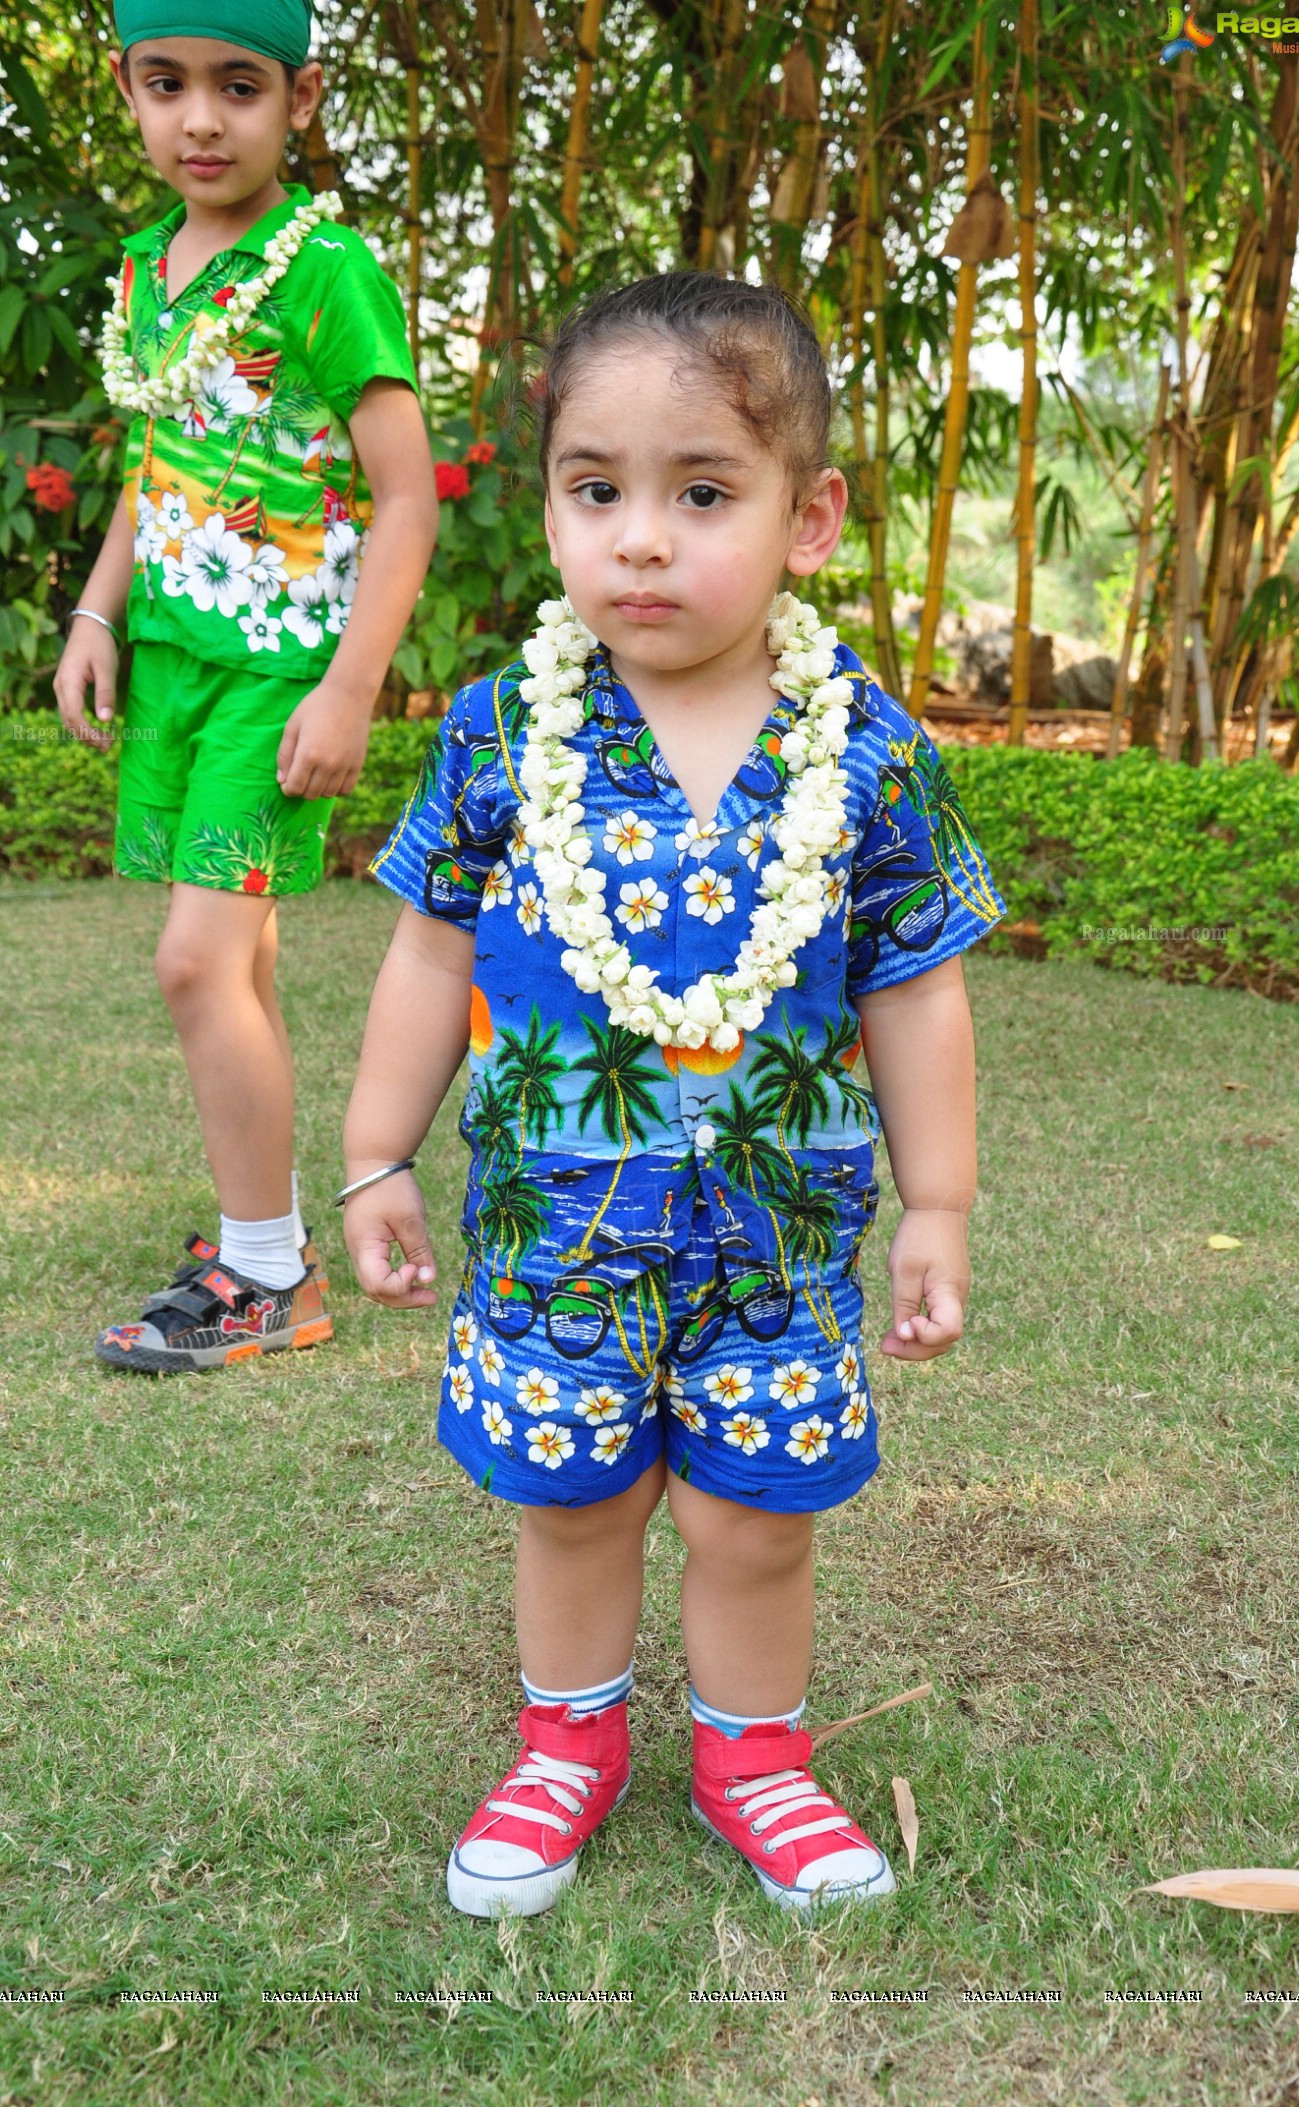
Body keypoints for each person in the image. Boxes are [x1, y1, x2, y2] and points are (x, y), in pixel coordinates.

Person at [342, 273, 1007, 1917]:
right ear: (557, 501)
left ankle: (753, 1754)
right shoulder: (508, 735)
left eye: (701, 493)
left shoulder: (868, 752)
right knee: (570, 1501)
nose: (641, 537)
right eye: (598, 490)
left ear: (811, 515)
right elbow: (432, 959)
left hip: (780, 1243)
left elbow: (917, 983)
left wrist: (939, 1202)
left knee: (756, 1519)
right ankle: (568, 1743)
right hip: (554, 1246)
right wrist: (374, 1155)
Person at [54, 0, 437, 1372]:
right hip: (178, 659)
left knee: (194, 961)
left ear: (303, 97)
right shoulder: (150, 265)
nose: (201, 118)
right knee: (246, 957)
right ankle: (256, 1231)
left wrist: (349, 688)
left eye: (238, 86)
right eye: (168, 85)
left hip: (279, 674)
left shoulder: (324, 269)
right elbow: (153, 467)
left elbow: (407, 501)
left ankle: (267, 1272)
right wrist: (98, 611)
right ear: (130, 89)